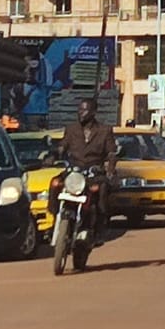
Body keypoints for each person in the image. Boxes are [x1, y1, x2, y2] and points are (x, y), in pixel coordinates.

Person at [59, 97, 118, 231]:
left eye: (84, 110)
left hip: (94, 172)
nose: (80, 112)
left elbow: (111, 152)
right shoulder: (71, 129)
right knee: (55, 183)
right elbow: (63, 145)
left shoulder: (104, 130)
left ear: (93, 112)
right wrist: (55, 153)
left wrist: (110, 169)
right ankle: (55, 218)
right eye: (79, 109)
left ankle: (100, 224)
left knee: (102, 188)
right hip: (74, 171)